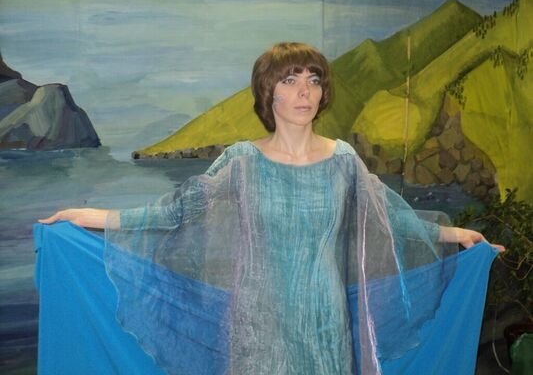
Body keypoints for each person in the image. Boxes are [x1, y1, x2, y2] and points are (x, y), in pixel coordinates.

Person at [39, 42, 504, 375]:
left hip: (324, 321)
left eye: (313, 81)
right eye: (290, 80)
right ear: (269, 92)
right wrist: (93, 217)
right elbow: (175, 212)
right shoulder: (242, 161)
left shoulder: (344, 159)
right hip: (257, 324)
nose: (304, 91)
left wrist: (457, 235)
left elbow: (391, 217)